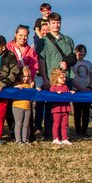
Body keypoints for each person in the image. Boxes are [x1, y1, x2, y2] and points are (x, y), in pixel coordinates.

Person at [36, 12, 76, 141]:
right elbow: (41, 61)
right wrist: (45, 79)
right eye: (53, 23)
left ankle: (64, 135)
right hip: (51, 79)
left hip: (66, 78)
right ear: (48, 24)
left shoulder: (67, 40)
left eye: (58, 22)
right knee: (50, 108)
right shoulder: (43, 41)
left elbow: (73, 58)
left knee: (65, 108)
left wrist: (67, 63)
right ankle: (50, 134)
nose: (56, 25)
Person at [70, 44, 92, 139]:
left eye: (84, 51)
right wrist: (80, 88)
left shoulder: (88, 63)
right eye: (80, 51)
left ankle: (85, 130)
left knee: (86, 112)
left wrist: (90, 86)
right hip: (76, 90)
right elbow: (71, 78)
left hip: (87, 90)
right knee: (77, 112)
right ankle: (78, 130)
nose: (82, 53)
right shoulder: (73, 63)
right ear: (76, 51)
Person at [48, 68, 74, 146]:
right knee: (56, 124)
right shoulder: (53, 87)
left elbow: (68, 94)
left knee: (65, 124)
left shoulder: (65, 87)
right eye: (62, 77)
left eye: (64, 77)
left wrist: (71, 92)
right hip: (57, 109)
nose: (64, 79)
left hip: (65, 108)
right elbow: (51, 95)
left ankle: (65, 138)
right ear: (56, 77)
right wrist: (56, 93)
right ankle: (55, 138)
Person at [12, 66, 35, 145]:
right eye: (24, 76)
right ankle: (18, 140)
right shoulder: (17, 84)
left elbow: (32, 97)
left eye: (28, 76)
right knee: (19, 123)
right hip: (17, 107)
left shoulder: (29, 86)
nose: (26, 78)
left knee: (26, 124)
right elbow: (10, 90)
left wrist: (33, 89)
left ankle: (25, 139)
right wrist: (16, 87)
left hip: (27, 107)